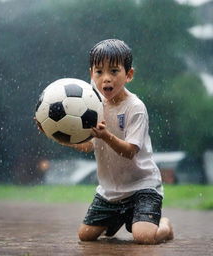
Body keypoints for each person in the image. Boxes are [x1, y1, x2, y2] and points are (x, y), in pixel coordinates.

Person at [38, 39, 174, 244]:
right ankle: (118, 218)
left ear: (129, 75)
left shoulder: (135, 108)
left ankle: (164, 226)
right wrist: (55, 135)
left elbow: (130, 151)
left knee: (144, 238)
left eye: (114, 71)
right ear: (91, 74)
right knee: (85, 236)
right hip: (110, 191)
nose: (106, 79)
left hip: (143, 186)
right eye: (99, 72)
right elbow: (87, 145)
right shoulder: (92, 105)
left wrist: (106, 136)